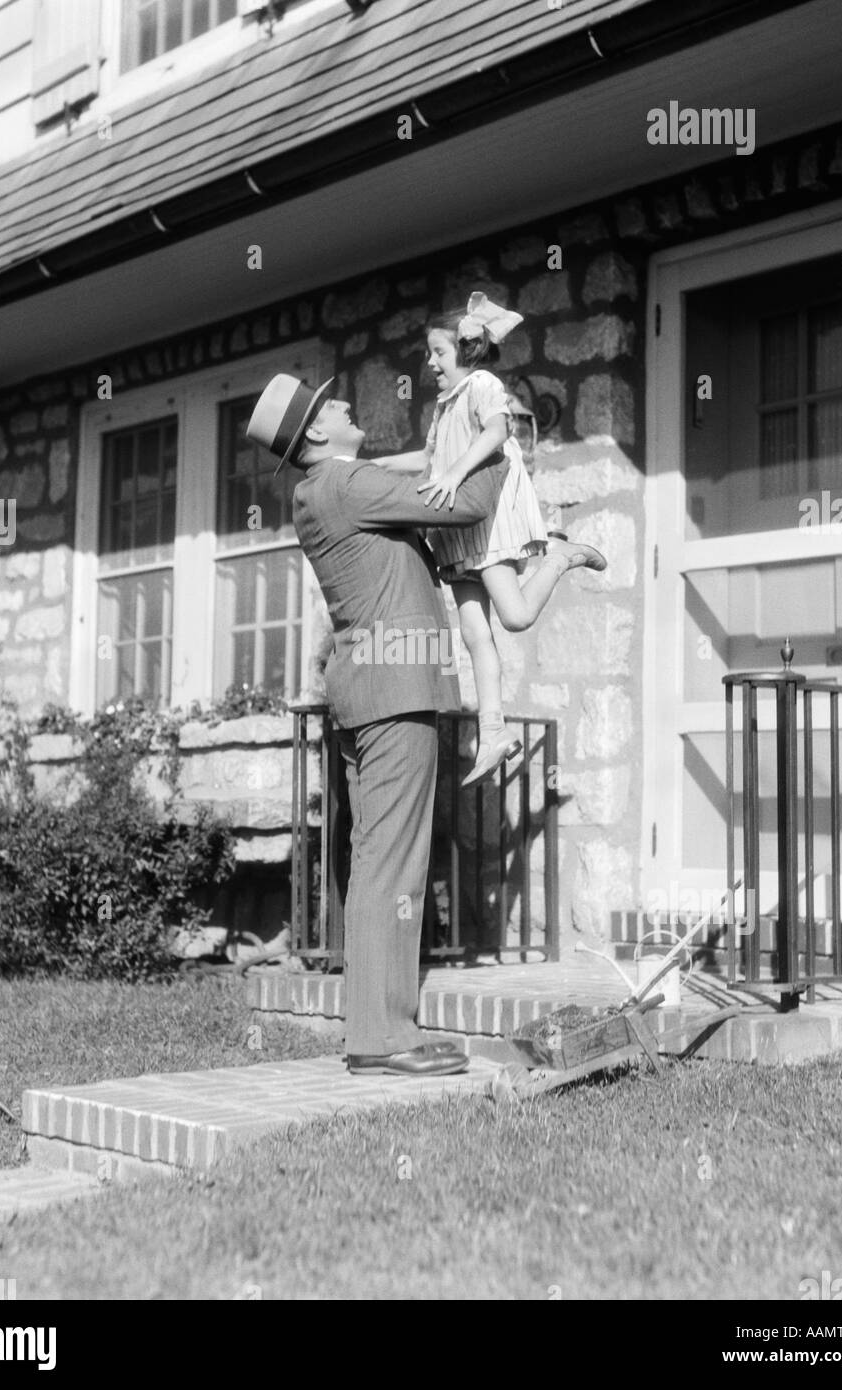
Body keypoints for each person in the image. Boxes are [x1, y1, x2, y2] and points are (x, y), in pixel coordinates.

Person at [246, 373, 525, 1076]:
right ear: (315, 434)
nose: (345, 405)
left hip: (366, 687)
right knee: (392, 861)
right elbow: (461, 504)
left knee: (372, 859)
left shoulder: (326, 489)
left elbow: (422, 478)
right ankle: (383, 1036)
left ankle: (375, 1027)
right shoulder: (348, 485)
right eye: (331, 405)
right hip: (396, 691)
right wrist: (501, 442)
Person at [374, 293, 607, 784]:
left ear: (467, 351)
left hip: (488, 519)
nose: (430, 362)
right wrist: (373, 466)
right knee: (475, 635)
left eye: (438, 352)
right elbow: (427, 460)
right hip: (457, 533)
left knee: (516, 616)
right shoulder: (443, 407)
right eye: (430, 354)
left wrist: (455, 475)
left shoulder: (483, 384)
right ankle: (493, 730)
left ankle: (560, 556)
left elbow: (498, 432)